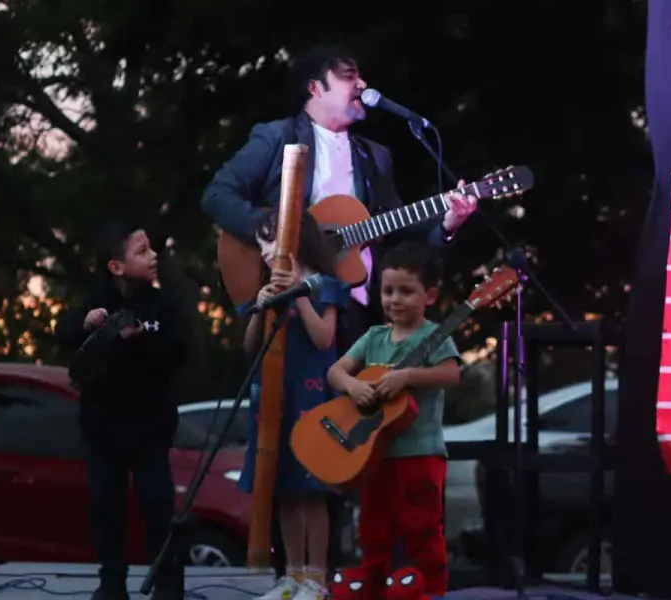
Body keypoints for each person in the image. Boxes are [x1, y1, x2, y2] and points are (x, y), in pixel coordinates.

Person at [201, 44, 478, 350]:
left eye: (361, 77)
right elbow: (217, 194)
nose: (362, 85)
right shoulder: (278, 136)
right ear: (315, 88)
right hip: (290, 295)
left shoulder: (374, 156)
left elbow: (399, 227)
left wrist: (448, 223)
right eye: (349, 76)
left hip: (355, 303)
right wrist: (278, 232)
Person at [54, 222, 188, 600]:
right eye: (142, 251)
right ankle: (111, 583)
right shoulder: (95, 298)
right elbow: (63, 332)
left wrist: (142, 339)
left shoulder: (162, 302)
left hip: (150, 427)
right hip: (104, 429)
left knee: (158, 505)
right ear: (116, 266)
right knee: (106, 507)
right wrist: (88, 323)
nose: (153, 256)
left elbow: (178, 353)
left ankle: (167, 583)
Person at [326, 241, 462, 599]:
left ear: (429, 296)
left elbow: (451, 375)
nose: (394, 299)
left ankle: (432, 589)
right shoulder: (373, 338)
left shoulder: (433, 337)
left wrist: (408, 377)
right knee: (373, 529)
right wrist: (354, 387)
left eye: (406, 291)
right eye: (387, 291)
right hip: (374, 456)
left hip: (420, 453)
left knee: (422, 527)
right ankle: (372, 588)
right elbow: (336, 372)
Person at [238, 209, 349, 600]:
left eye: (272, 239)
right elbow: (250, 345)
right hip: (273, 396)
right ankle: (292, 575)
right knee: (282, 487)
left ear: (295, 238)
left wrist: (299, 294)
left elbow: (324, 339)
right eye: (262, 243)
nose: (267, 251)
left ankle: (316, 579)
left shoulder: (327, 286)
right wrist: (262, 305)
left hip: (312, 395)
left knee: (312, 489)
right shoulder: (264, 287)